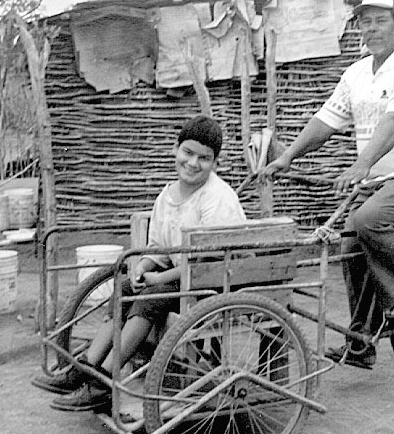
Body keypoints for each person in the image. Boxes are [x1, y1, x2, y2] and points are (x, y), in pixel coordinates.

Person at [259, 0, 394, 370]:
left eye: (382, 20)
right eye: (366, 21)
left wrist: (362, 164)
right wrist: (285, 157)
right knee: (351, 239)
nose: (372, 28)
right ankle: (362, 342)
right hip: (383, 178)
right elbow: (325, 121)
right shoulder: (357, 73)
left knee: (368, 220)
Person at [32, 115, 246, 410]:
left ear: (215, 163)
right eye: (188, 153)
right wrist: (145, 265)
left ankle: (104, 382)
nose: (193, 163)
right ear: (176, 149)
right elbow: (159, 247)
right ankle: (85, 368)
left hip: (216, 282)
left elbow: (209, 261)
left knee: (152, 296)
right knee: (124, 289)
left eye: (204, 158)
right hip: (183, 276)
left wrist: (159, 279)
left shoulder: (216, 198)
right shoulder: (167, 196)